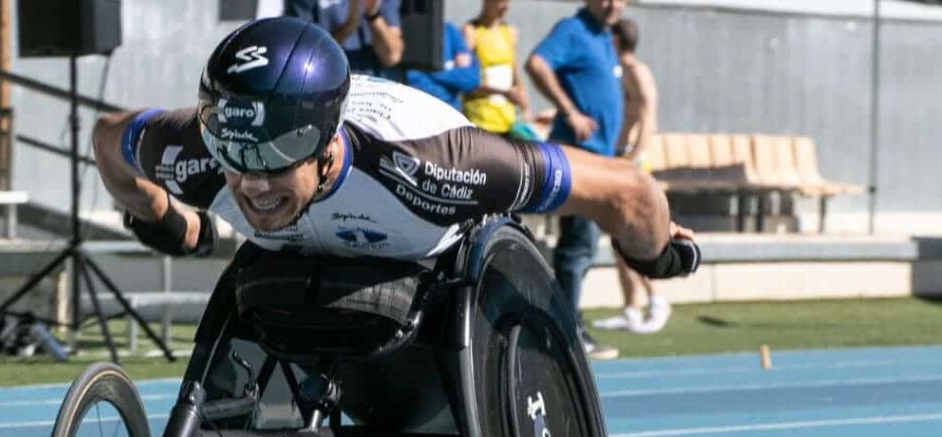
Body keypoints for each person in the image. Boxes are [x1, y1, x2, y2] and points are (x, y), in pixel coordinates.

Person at [93, 18, 699, 343]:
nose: (252, 182)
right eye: (234, 151)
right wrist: (171, 220)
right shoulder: (191, 152)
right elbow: (107, 141)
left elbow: (625, 189)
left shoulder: (439, 166)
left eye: (279, 155)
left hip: (437, 264)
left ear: (327, 142)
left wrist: (659, 256)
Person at [525, 0, 626, 359]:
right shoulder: (574, 29)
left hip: (602, 158)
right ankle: (567, 332)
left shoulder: (603, 36)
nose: (615, 4)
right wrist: (570, 112)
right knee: (578, 244)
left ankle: (567, 325)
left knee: (583, 244)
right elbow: (536, 63)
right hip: (580, 158)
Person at [594, 17, 671, 334]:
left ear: (614, 41)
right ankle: (631, 309)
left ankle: (657, 300)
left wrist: (633, 156)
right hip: (619, 155)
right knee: (618, 239)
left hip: (633, 160)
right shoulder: (617, 74)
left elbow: (648, 118)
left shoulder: (637, 73)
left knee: (635, 236)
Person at [461, 0, 538, 141]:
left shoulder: (510, 32)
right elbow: (465, 79)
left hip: (507, 120)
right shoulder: (471, 31)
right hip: (480, 119)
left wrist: (525, 106)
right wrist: (503, 92)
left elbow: (514, 70)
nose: (504, 6)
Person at [286, 0, 403, 78]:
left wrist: (373, 15)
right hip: (328, 85)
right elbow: (308, 57)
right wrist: (350, 25)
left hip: (372, 84)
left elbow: (391, 56)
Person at [405, 21, 480, 111]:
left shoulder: (450, 30)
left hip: (452, 114)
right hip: (419, 110)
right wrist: (451, 70)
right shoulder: (407, 31)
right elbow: (413, 81)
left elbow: (472, 80)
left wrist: (430, 71)